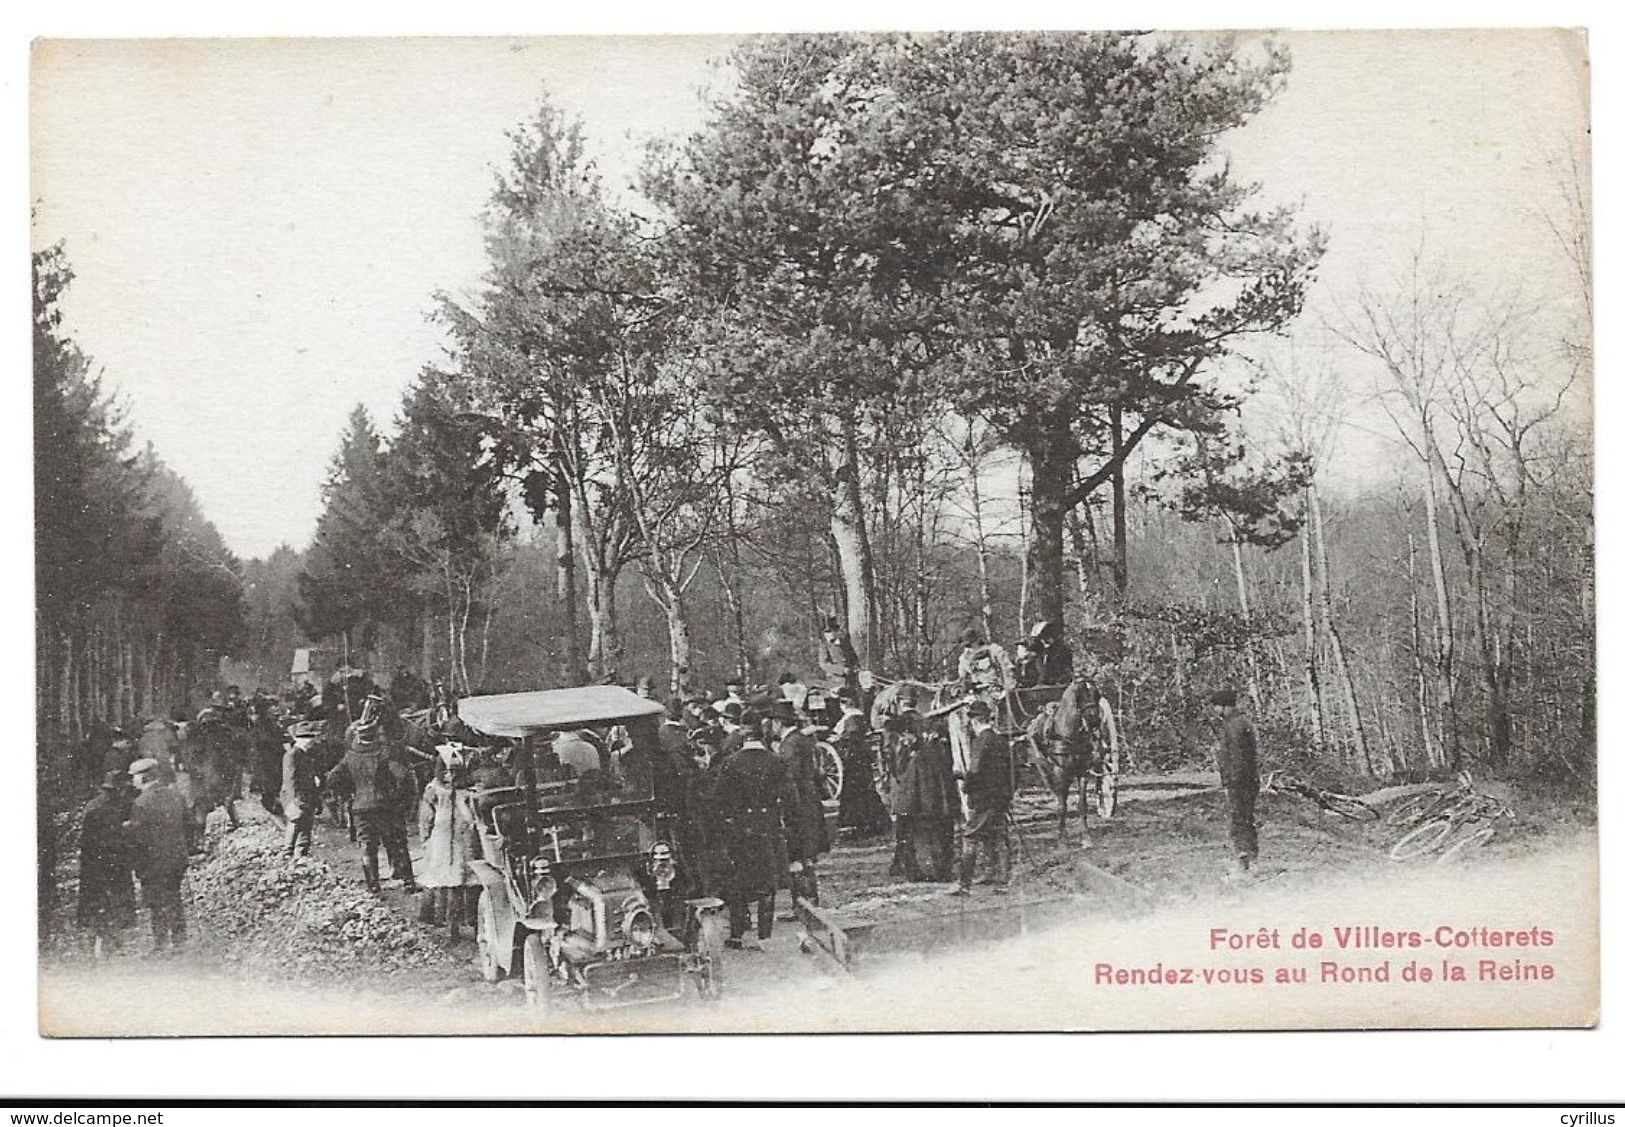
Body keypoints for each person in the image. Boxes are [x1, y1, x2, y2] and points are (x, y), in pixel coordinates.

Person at [709, 719, 797, 949]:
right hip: (768, 827)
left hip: (739, 829)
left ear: (743, 738)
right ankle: (764, 935)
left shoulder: (730, 763)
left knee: (738, 880)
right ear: (763, 737)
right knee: (767, 882)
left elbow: (718, 799)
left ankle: (737, 934)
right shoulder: (776, 762)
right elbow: (791, 799)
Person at [325, 715, 400, 894]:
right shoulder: (384, 754)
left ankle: (373, 884)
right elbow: (399, 776)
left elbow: (332, 779)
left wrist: (350, 790)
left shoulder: (350, 756)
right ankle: (402, 878)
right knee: (393, 841)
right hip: (384, 805)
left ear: (359, 736)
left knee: (367, 845)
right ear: (375, 735)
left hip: (360, 807)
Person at [124, 757, 191, 952]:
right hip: (177, 857)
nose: (133, 781)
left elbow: (138, 836)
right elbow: (188, 825)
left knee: (156, 902)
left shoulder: (140, 803)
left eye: (134, 777)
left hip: (152, 861)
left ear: (143, 778)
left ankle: (160, 942)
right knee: (174, 897)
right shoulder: (176, 795)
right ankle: (180, 940)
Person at [769, 701, 829, 907]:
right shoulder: (803, 739)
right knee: (806, 855)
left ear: (778, 723)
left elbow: (791, 779)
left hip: (798, 805)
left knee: (797, 855)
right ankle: (808, 900)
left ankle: (804, 903)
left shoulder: (789, 745)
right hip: (810, 802)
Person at [417, 748, 480, 940]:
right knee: (446, 879)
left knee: (453, 880)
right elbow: (426, 818)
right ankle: (445, 920)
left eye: (453, 771)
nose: (449, 775)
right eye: (446, 771)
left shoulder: (460, 793)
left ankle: (454, 920)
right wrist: (426, 837)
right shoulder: (438, 791)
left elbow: (427, 817)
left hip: (455, 839)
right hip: (446, 838)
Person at [890, 713, 959, 882]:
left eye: (905, 737)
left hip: (918, 803)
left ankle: (921, 872)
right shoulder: (934, 751)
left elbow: (902, 775)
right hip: (936, 803)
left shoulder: (918, 756)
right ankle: (940, 871)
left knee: (916, 837)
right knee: (939, 837)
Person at [955, 700, 1012, 894]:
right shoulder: (1001, 740)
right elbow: (1013, 772)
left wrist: (965, 785)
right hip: (1001, 799)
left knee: (970, 837)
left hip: (983, 799)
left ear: (974, 722)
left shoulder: (980, 741)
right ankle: (1002, 881)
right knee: (998, 837)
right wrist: (1007, 795)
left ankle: (964, 886)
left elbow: (975, 771)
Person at [78, 770, 136, 955]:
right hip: (112, 862)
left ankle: (102, 940)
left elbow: (83, 840)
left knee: (99, 901)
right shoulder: (119, 807)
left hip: (95, 863)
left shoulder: (92, 806)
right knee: (113, 900)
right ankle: (107, 941)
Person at [1212, 688, 1260, 877]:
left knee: (1239, 821)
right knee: (1245, 820)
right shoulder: (1240, 722)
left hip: (1240, 782)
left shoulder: (1234, 726)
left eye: (1216, 706)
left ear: (1223, 706)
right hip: (1246, 780)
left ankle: (1245, 862)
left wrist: (1232, 781)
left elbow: (1239, 758)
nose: (1215, 710)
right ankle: (1251, 860)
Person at [831, 687, 890, 835]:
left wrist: (838, 739)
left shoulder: (851, 717)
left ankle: (861, 823)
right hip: (862, 757)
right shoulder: (860, 716)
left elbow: (851, 737)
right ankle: (869, 821)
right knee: (865, 788)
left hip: (853, 759)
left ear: (845, 703)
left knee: (856, 790)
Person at [280, 723, 324, 861]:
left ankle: (301, 856)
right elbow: (290, 781)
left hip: (308, 796)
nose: (311, 741)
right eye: (308, 738)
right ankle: (287, 854)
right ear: (300, 739)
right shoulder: (292, 755)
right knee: (296, 822)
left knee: (306, 826)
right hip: (297, 798)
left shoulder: (306, 754)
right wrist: (294, 802)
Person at [1029, 620, 1075, 686]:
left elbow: (1067, 670)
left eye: (1046, 637)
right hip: (1040, 686)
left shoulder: (1061, 651)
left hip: (1058, 685)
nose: (1043, 641)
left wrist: (1060, 679)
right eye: (1041, 639)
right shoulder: (1039, 654)